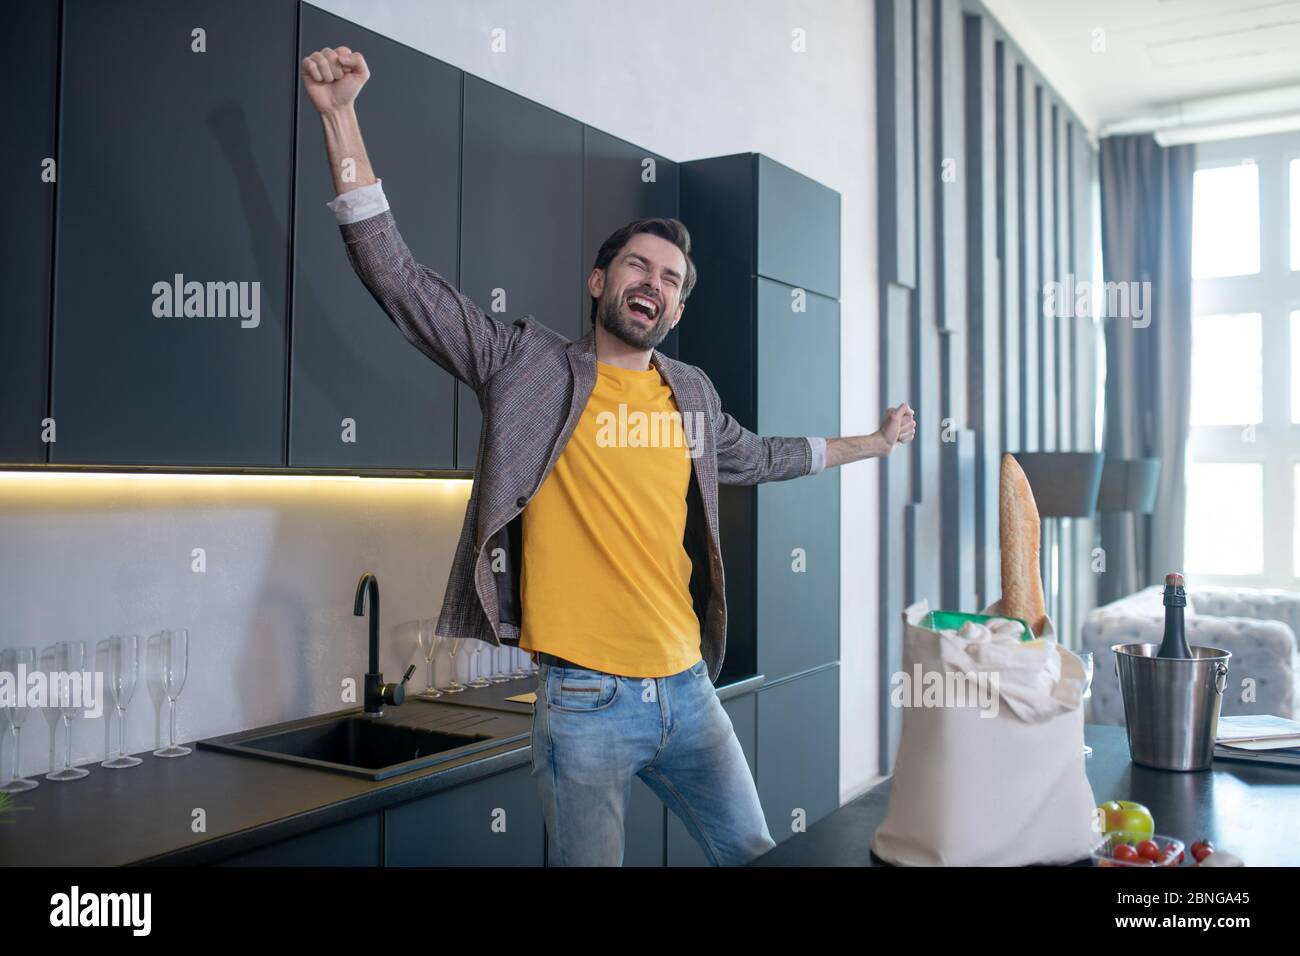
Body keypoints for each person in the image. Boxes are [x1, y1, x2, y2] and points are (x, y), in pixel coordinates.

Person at [301, 45, 916, 866]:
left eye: (670, 278)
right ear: (600, 281)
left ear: (675, 310)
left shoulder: (690, 393)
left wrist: (872, 444)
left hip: (690, 690)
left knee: (761, 856)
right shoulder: (527, 367)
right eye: (637, 264)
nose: (652, 283)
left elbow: (764, 456)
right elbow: (399, 280)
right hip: (584, 701)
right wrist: (341, 118)